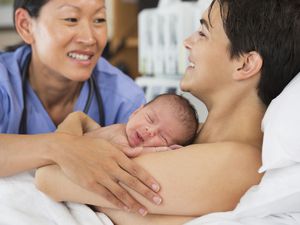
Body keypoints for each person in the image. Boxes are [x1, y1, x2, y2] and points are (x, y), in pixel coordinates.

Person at [35, 0, 300, 224]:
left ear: (245, 64)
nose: (187, 42)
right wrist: (76, 127)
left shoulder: (238, 160)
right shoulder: (186, 140)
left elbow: (48, 177)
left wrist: (73, 137)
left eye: (204, 33)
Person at [0, 0, 166, 216]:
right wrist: (60, 147)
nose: (89, 38)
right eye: (71, 19)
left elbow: (135, 187)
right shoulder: (4, 82)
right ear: (26, 25)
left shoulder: (123, 98)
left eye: (99, 19)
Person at [58, 93, 199, 158]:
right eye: (150, 119)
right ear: (136, 111)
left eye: (163, 137)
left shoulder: (138, 152)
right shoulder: (114, 131)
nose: (150, 131)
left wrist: (168, 153)